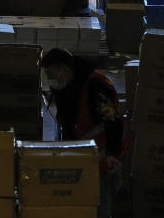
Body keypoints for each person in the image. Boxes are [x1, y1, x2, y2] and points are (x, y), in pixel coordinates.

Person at [42, 48, 125, 218]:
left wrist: (112, 153)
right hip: (81, 156)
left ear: (64, 70)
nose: (50, 80)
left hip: (102, 157)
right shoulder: (66, 88)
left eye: (51, 74)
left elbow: (112, 120)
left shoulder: (96, 86)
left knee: (100, 206)